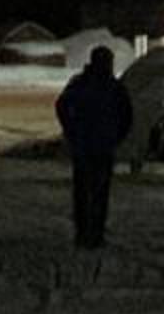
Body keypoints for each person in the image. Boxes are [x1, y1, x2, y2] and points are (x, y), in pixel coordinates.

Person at [52, 44, 132, 248]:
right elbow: (126, 115)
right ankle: (92, 232)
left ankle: (87, 232)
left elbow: (62, 105)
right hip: (96, 144)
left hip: (89, 144)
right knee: (96, 191)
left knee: (87, 190)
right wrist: (116, 135)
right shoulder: (111, 87)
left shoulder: (85, 83)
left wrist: (71, 129)